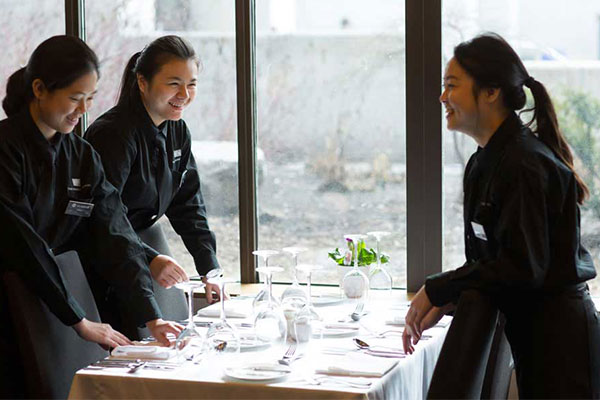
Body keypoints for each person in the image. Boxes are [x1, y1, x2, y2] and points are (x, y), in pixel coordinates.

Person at [403, 33, 600, 398]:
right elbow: (491, 262)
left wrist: (438, 286)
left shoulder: (524, 164)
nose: (443, 97)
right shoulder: (484, 161)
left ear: (491, 91)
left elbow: (522, 267)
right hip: (532, 337)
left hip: (561, 346)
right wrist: (448, 297)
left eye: (452, 85)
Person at [0, 35, 182, 349]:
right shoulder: (5, 148)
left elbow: (115, 231)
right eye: (75, 98)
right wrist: (79, 320)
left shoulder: (81, 156)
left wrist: (151, 316)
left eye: (91, 98)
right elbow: (23, 242)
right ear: (39, 89)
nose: (83, 109)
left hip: (49, 297)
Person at [85, 35, 222, 338]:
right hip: (101, 268)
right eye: (174, 83)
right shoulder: (113, 135)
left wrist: (210, 270)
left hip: (134, 259)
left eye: (192, 84)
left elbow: (189, 206)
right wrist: (150, 258)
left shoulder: (177, 130)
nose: (185, 94)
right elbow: (104, 220)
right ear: (143, 83)